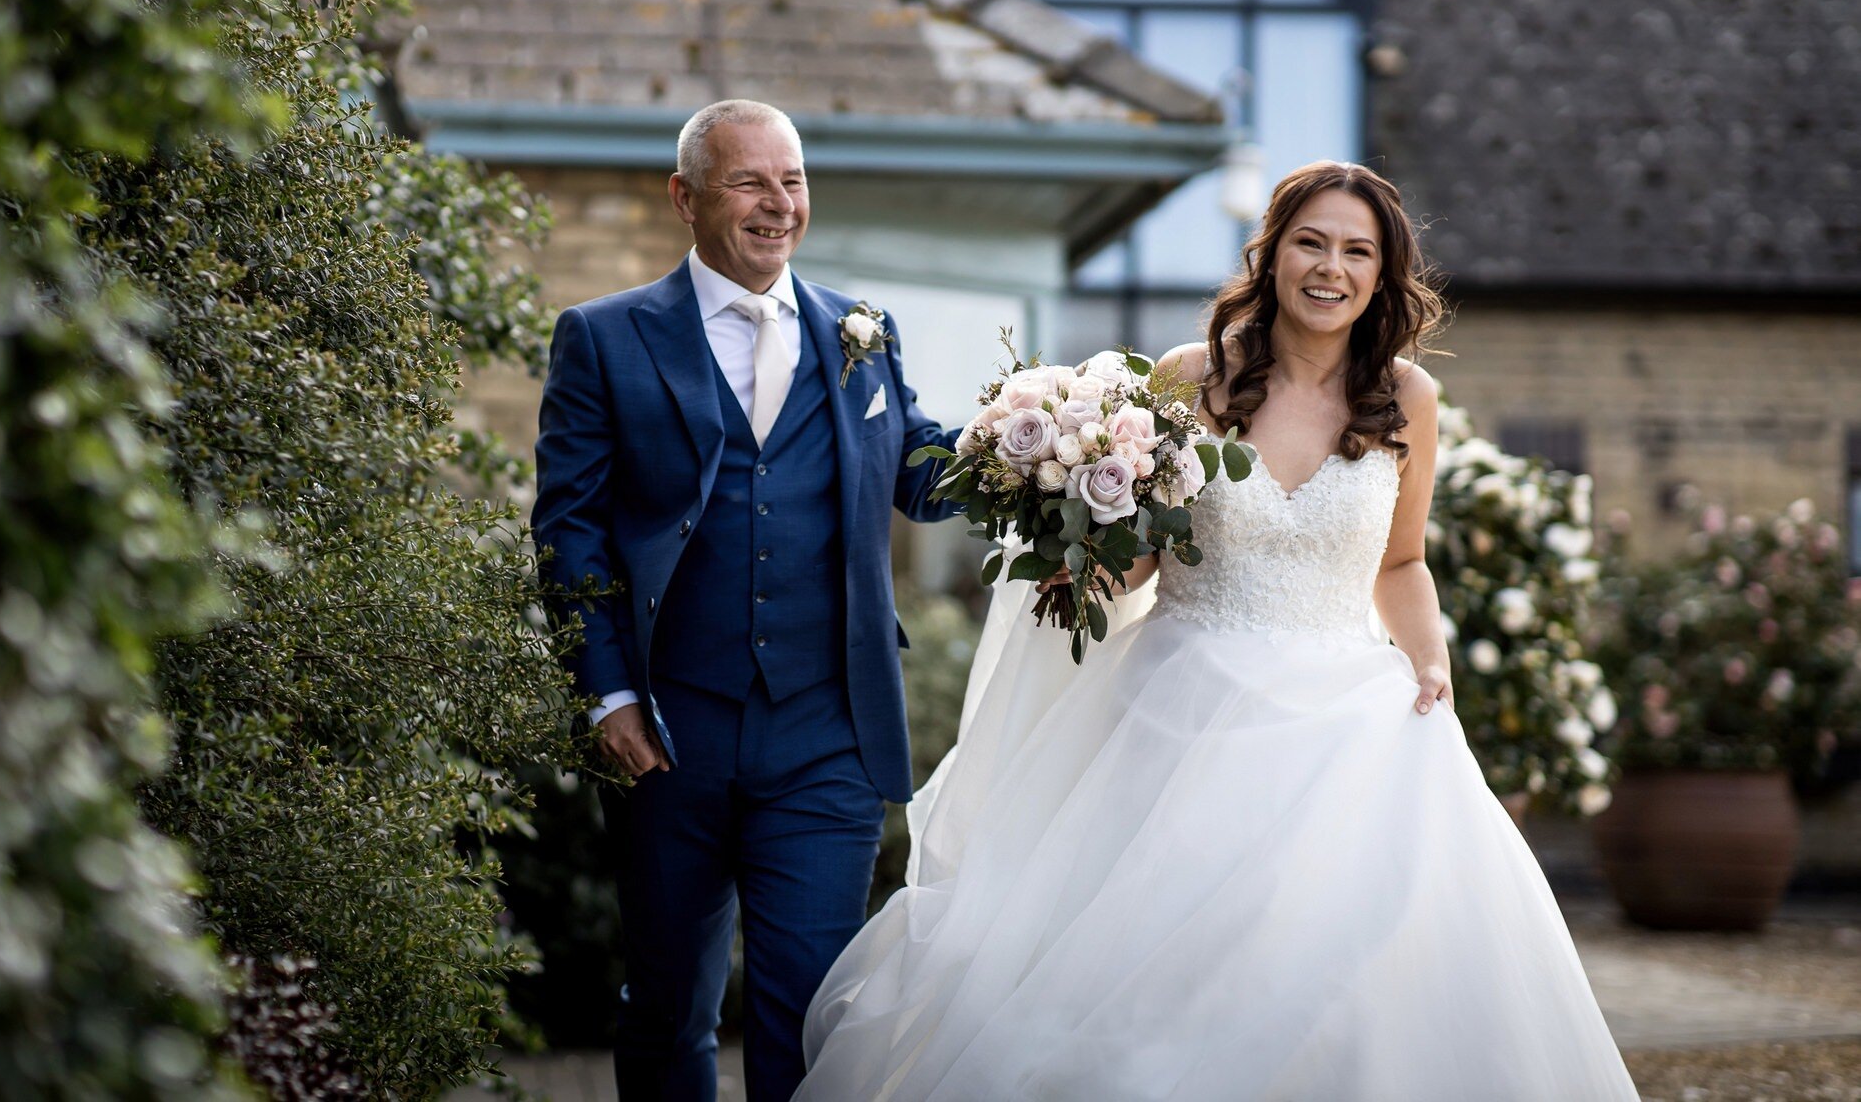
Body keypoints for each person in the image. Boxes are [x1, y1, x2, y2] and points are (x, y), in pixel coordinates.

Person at [797, 160, 1638, 1101]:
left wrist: (1430, 657)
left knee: (1346, 983)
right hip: (1179, 705)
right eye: (1311, 242)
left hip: (1348, 724)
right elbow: (1149, 550)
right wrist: (1083, 563)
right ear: (1272, 253)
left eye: (1357, 251)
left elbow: (1401, 563)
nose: (1331, 268)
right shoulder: (1189, 376)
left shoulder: (1410, 400)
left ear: (1384, 273)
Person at [533, 99, 960, 1102]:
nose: (780, 204)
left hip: (826, 733)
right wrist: (607, 697)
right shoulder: (603, 338)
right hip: (669, 726)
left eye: (794, 179)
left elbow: (921, 471)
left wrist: (1058, 445)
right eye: (750, 181)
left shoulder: (862, 331)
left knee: (810, 1009)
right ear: (685, 197)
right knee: (668, 1007)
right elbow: (569, 532)